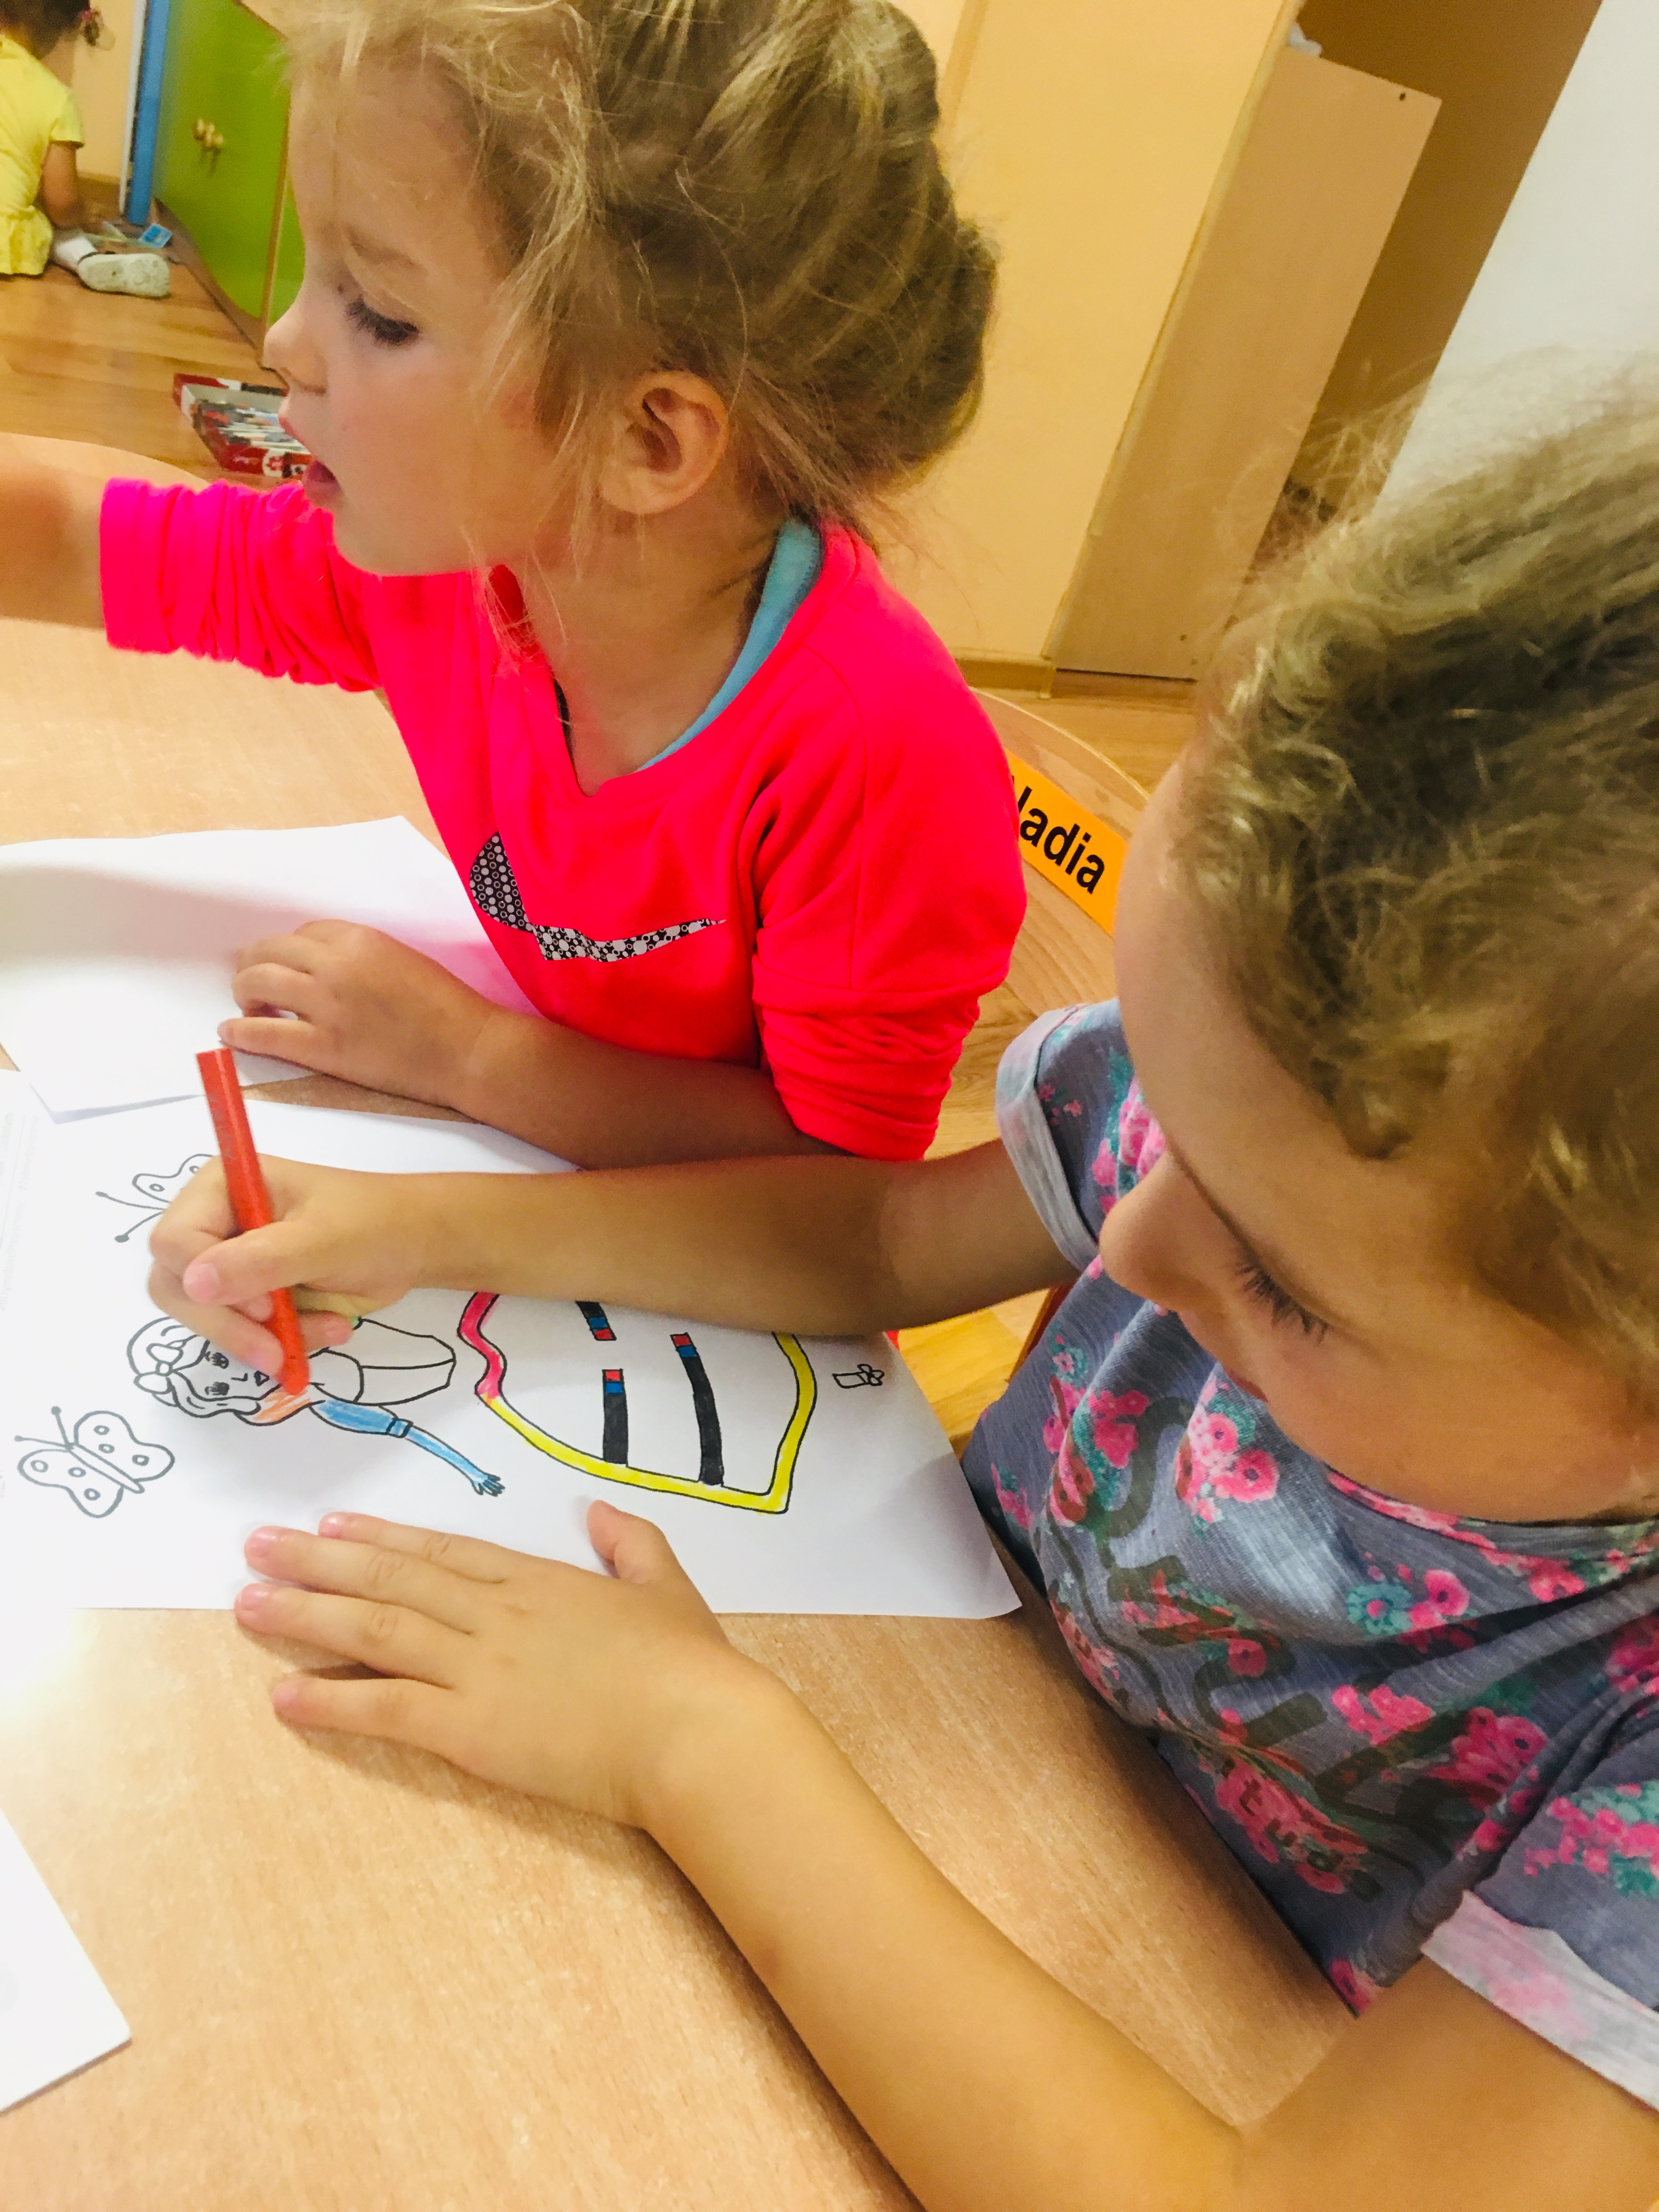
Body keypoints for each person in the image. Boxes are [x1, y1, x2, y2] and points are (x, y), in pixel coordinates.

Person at [150, 398, 1659, 2207]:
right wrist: (430, 1228)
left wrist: (692, 1743)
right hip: (957, 1737)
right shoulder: (1278, 1115)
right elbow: (875, 1248)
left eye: (1279, 1285)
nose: (1127, 1246)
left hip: (1175, 2023)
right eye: (1160, 1115)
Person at [0, 0, 1023, 1168]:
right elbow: (92, 541)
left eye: (379, 313)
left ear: (645, 441)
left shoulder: (873, 759)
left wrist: (470, 1057)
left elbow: (839, 1192)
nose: (284, 342)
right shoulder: (463, 573)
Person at [0, 0, 167, 296]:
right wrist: (84, 214)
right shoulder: (56, 98)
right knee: (51, 223)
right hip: (6, 239)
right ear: (62, 34)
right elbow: (63, 204)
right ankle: (85, 257)